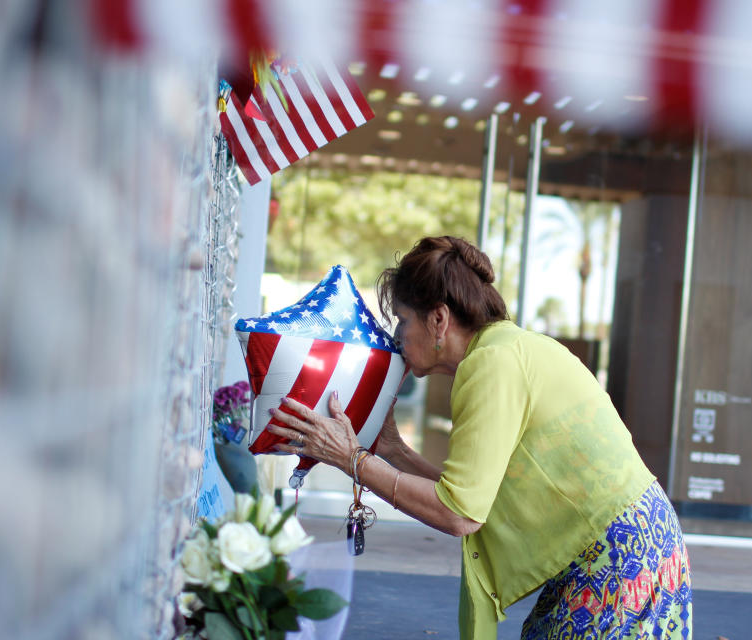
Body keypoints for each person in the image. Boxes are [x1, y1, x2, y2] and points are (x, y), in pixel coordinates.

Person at [265, 236, 692, 639]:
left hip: (621, 560)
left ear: (438, 319)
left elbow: (459, 514)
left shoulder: (491, 366)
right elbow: (472, 493)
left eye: (403, 320)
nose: (398, 338)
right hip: (631, 548)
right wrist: (391, 451)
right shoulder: (506, 350)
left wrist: (352, 458)